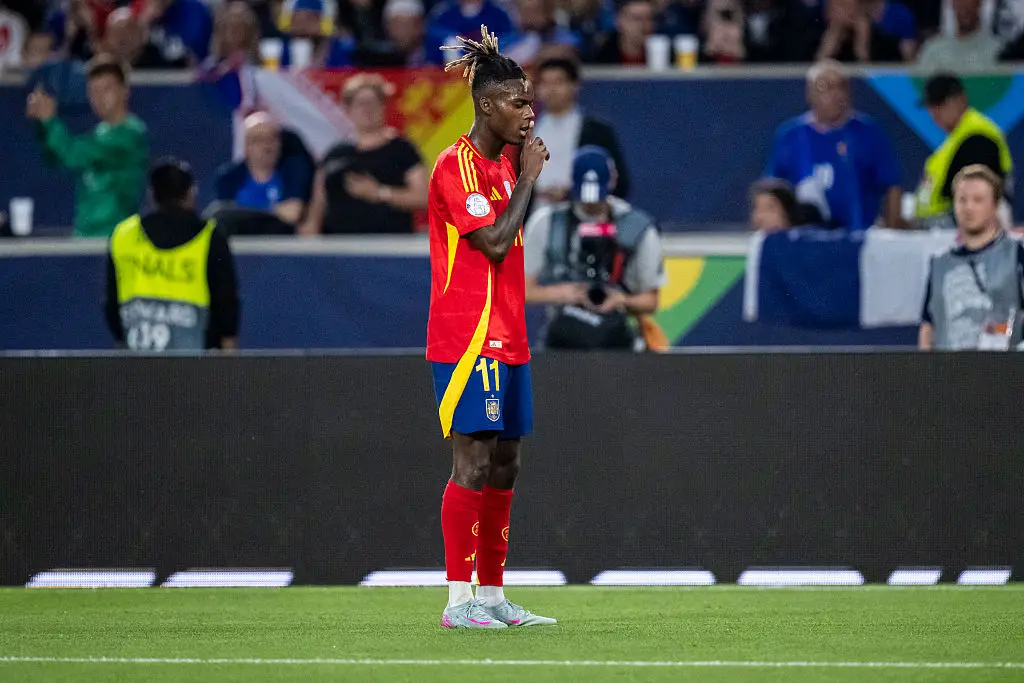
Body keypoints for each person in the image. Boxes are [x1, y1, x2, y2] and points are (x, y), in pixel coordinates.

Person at [426, 26, 556, 629]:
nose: (529, 112)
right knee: (472, 461)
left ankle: (495, 596)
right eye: (518, 102)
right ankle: (458, 603)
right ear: (486, 105)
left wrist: (520, 172)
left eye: (530, 101)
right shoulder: (460, 167)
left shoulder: (503, 168)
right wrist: (529, 175)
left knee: (506, 462)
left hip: (510, 335)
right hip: (467, 336)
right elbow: (495, 244)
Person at [524, 146, 664, 350]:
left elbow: (651, 301)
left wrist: (619, 299)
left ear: (613, 181)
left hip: (616, 334)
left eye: (597, 197)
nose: (591, 205)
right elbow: (521, 291)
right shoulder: (546, 224)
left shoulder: (638, 229)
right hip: (562, 335)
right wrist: (565, 294)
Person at [106, 158, 240, 351]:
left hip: (136, 362)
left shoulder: (123, 235)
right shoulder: (210, 237)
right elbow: (226, 301)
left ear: (152, 194)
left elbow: (111, 304)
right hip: (198, 368)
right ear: (190, 193)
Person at [765, 60, 905, 231]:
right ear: (809, 93)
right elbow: (774, 191)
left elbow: (892, 185)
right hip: (803, 240)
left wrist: (893, 230)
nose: (835, 94)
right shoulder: (790, 135)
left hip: (858, 238)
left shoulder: (868, 132)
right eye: (825, 87)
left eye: (841, 86)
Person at [26, 55, 149, 238]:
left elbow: (72, 154)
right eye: (93, 91)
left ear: (125, 90)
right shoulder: (100, 132)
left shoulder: (131, 134)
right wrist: (43, 124)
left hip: (114, 238)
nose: (99, 98)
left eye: (106, 89)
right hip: (84, 235)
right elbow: (57, 159)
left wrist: (50, 120)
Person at [302, 74, 427, 234]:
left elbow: (423, 197)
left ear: (383, 107)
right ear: (348, 109)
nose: (367, 109)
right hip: (339, 247)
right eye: (360, 104)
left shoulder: (402, 149)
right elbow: (318, 205)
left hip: (389, 246)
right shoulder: (335, 153)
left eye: (373, 103)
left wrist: (380, 193)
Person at [919, 165, 1024, 350]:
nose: (968, 207)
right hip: (950, 374)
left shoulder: (1016, 255)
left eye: (978, 200)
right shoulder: (939, 265)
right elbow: (928, 328)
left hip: (1005, 374)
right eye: (962, 200)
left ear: (995, 205)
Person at [915, 73, 1013, 229]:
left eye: (940, 103)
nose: (934, 112)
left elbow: (977, 195)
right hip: (940, 230)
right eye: (931, 106)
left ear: (961, 99)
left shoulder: (978, 134)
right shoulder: (957, 136)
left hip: (959, 230)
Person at [532, 57, 630, 210]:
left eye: (558, 82)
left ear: (574, 86)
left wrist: (572, 192)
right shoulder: (524, 131)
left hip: (582, 216)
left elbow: (619, 183)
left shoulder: (597, 132)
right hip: (537, 217)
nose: (551, 89)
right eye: (545, 83)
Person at [214, 111, 311, 234]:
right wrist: (275, 212)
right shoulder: (228, 178)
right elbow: (225, 218)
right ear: (246, 146)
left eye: (272, 139)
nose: (267, 146)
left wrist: (244, 214)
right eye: (258, 140)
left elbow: (292, 214)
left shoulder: (293, 172)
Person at [918, 0, 1002, 71]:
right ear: (952, 4)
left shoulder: (998, 50)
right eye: (960, 2)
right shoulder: (933, 50)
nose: (964, 7)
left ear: (979, 4)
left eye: (969, 2)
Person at [815, 0, 903, 63]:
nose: (839, 13)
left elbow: (891, 79)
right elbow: (805, 77)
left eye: (845, 7)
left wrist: (862, 51)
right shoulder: (811, 37)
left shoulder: (886, 42)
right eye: (835, 7)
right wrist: (825, 52)